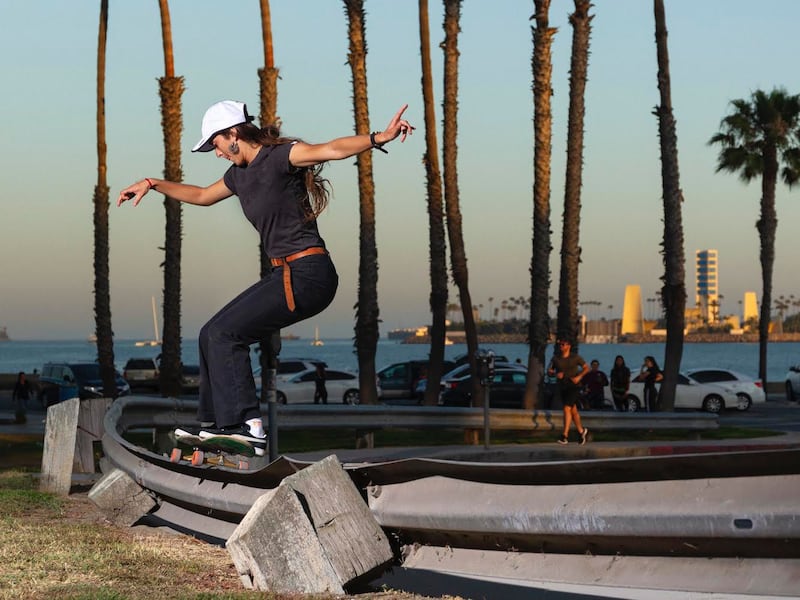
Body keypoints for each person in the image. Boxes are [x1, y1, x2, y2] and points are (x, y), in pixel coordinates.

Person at [117, 100, 414, 455]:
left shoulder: (281, 157)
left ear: (233, 134)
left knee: (226, 334)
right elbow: (200, 195)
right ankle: (217, 426)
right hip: (284, 272)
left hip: (309, 274)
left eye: (215, 144)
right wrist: (152, 183)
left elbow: (332, 149)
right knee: (210, 333)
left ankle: (249, 426)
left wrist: (379, 136)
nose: (216, 153)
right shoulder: (238, 176)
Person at [548, 338, 590, 445]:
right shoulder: (555, 359)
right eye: (559, 344)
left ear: (568, 346)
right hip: (563, 387)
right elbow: (549, 371)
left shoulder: (575, 357)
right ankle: (581, 431)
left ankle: (564, 436)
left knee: (566, 408)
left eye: (563, 344)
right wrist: (555, 374)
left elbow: (586, 368)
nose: (561, 346)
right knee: (573, 410)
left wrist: (579, 377)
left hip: (574, 386)